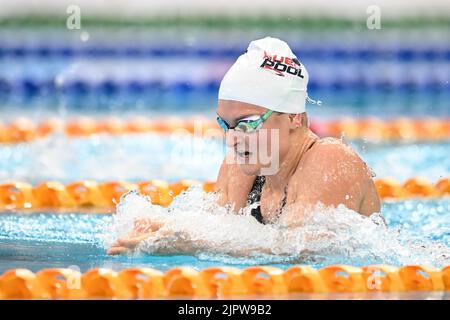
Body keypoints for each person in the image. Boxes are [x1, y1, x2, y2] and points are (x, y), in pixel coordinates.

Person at [107, 37, 380, 255]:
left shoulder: (330, 160)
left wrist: (195, 243)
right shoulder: (241, 164)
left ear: (294, 117)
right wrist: (163, 227)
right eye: (226, 125)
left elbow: (299, 249)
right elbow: (215, 225)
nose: (233, 139)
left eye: (247, 123)